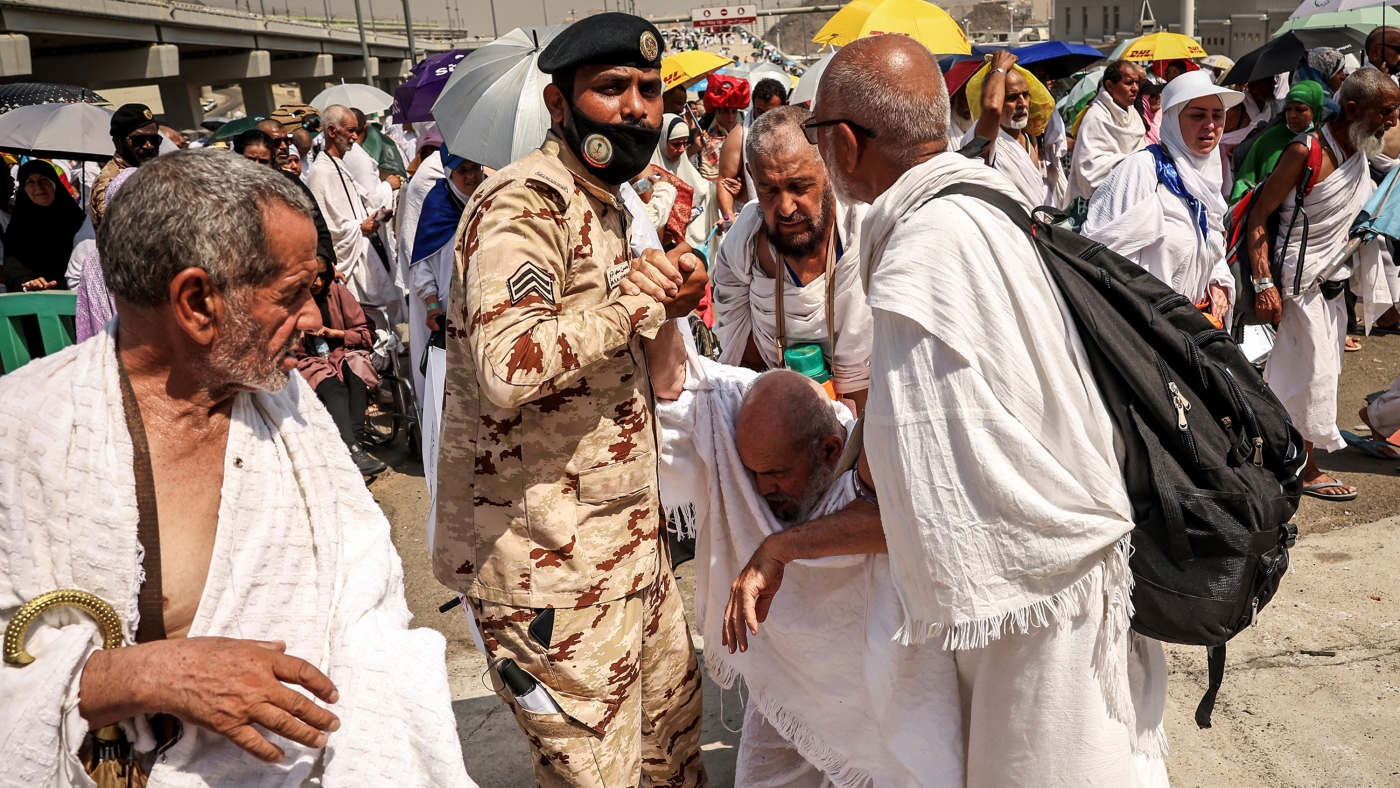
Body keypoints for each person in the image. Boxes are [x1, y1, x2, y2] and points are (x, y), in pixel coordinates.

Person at [0, 149, 472, 787]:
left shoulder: (285, 402)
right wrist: (134, 676)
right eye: (292, 294)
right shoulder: (24, 434)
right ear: (197, 302)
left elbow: (367, 602)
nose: (313, 318)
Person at [811, 35, 1168, 786]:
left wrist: (795, 538)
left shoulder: (921, 254)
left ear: (843, 141)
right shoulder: (987, 199)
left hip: (1039, 594)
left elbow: (918, 484)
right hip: (1075, 557)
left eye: (817, 133)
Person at [432, 14, 709, 788]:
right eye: (611, 88)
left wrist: (670, 301)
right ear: (560, 104)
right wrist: (637, 303)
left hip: (628, 552)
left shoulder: (609, 204)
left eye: (649, 90)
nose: (636, 108)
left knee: (673, 757)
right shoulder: (523, 205)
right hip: (550, 572)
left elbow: (641, 366)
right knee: (594, 775)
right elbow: (507, 364)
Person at [647, 348, 962, 786]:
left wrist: (779, 548)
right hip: (787, 686)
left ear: (830, 450)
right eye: (753, 473)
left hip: (879, 693)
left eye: (776, 473)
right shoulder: (741, 421)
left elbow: (903, 524)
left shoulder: (879, 455)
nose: (761, 489)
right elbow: (675, 383)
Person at [1245, 69, 1400, 502]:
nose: (1392, 121)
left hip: (1333, 284)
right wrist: (1263, 283)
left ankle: (1278, 455)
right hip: (1299, 284)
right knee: (1311, 377)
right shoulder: (1305, 151)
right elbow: (1259, 215)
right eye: (1386, 111)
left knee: (1314, 376)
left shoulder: (1359, 151)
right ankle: (1306, 469)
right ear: (1353, 109)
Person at [711, 105, 872, 409]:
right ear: (751, 176)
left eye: (799, 186)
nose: (786, 208)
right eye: (768, 190)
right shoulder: (743, 246)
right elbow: (740, 354)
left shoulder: (865, 233)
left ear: (829, 166)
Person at [1084, 72, 1241, 330]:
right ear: (1172, 120)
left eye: (1217, 115)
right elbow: (1103, 257)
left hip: (1194, 329)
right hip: (1146, 329)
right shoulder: (1142, 170)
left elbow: (1210, 245)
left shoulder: (1208, 178)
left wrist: (1218, 279)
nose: (1210, 125)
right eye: (1197, 115)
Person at [294, 254, 388, 476]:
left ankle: (355, 448)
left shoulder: (337, 291)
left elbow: (366, 332)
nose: (317, 282)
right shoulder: (293, 299)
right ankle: (354, 449)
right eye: (312, 277)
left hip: (343, 351)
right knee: (336, 391)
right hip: (308, 359)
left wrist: (334, 333)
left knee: (355, 374)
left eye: (322, 276)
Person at [407, 142, 483, 411]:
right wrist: (432, 307)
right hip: (448, 313)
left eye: (475, 167)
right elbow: (422, 265)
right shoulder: (437, 205)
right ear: (450, 173)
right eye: (463, 170)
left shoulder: (489, 198)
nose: (471, 176)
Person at [307, 105, 400, 323]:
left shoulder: (339, 164)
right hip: (346, 264)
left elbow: (354, 207)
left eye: (356, 131)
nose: (355, 137)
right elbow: (322, 226)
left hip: (363, 252)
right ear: (332, 131)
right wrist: (359, 228)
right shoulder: (320, 172)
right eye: (350, 130)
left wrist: (376, 217)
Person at [967, 50, 1065, 209]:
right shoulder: (986, 139)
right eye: (1011, 97)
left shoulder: (1030, 138)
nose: (1022, 103)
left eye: (1025, 95)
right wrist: (998, 68)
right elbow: (992, 109)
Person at [238, 129, 336, 271]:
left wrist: (327, 262)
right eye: (250, 159)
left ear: (272, 162)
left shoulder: (288, 184)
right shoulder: (226, 190)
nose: (256, 166)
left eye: (263, 161)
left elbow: (316, 224)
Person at [1230, 80, 1325, 202]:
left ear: (1316, 111)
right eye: (1289, 109)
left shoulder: (1324, 143)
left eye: (1300, 110)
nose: (1292, 115)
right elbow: (1244, 184)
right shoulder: (1270, 139)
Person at [1067, 60, 1147, 203]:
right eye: (1129, 83)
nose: (1135, 88)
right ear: (1110, 85)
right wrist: (1134, 163)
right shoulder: (1096, 118)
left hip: (1136, 197)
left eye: (1137, 83)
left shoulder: (1133, 114)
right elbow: (1090, 170)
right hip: (1102, 203)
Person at [3, 159, 86, 293]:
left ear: (54, 183)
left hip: (78, 295)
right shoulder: (19, 228)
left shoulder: (77, 220)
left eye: (44, 180)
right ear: (24, 188)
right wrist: (27, 283)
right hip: (36, 299)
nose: (38, 186)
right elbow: (13, 268)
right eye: (30, 182)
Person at [716, 77, 789, 219]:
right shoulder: (739, 136)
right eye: (760, 111)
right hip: (750, 217)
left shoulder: (795, 133)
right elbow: (724, 181)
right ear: (753, 106)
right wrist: (729, 218)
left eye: (771, 112)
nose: (765, 118)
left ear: (786, 105)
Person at [652, 113, 719, 251]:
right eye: (676, 144)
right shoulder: (650, 171)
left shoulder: (683, 164)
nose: (682, 149)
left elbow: (703, 189)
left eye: (685, 143)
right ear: (662, 140)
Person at [92, 103, 160, 230]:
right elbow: (119, 233)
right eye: (138, 140)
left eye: (154, 139)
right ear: (117, 142)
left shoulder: (145, 172)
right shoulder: (112, 183)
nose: (149, 146)